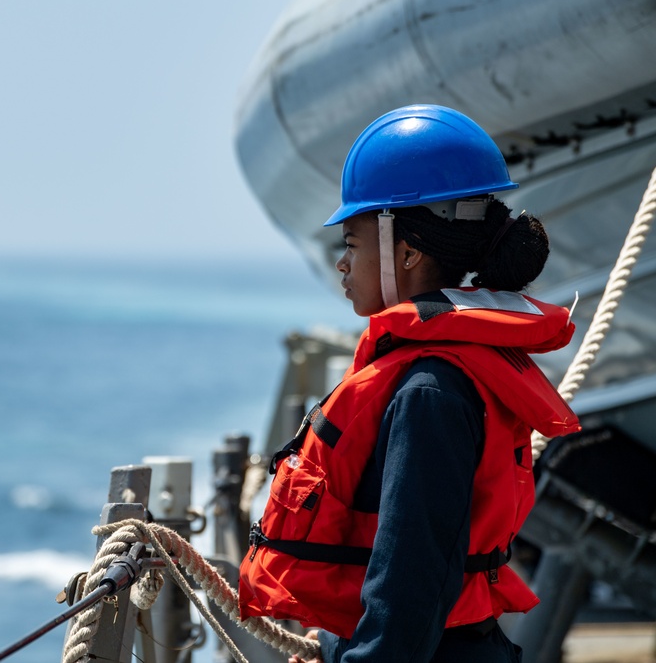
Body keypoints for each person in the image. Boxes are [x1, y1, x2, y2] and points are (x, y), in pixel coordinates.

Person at [238, 104, 582, 662]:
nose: (342, 266)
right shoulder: (444, 371)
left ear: (409, 250)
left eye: (350, 244)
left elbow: (412, 580)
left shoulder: (429, 392)